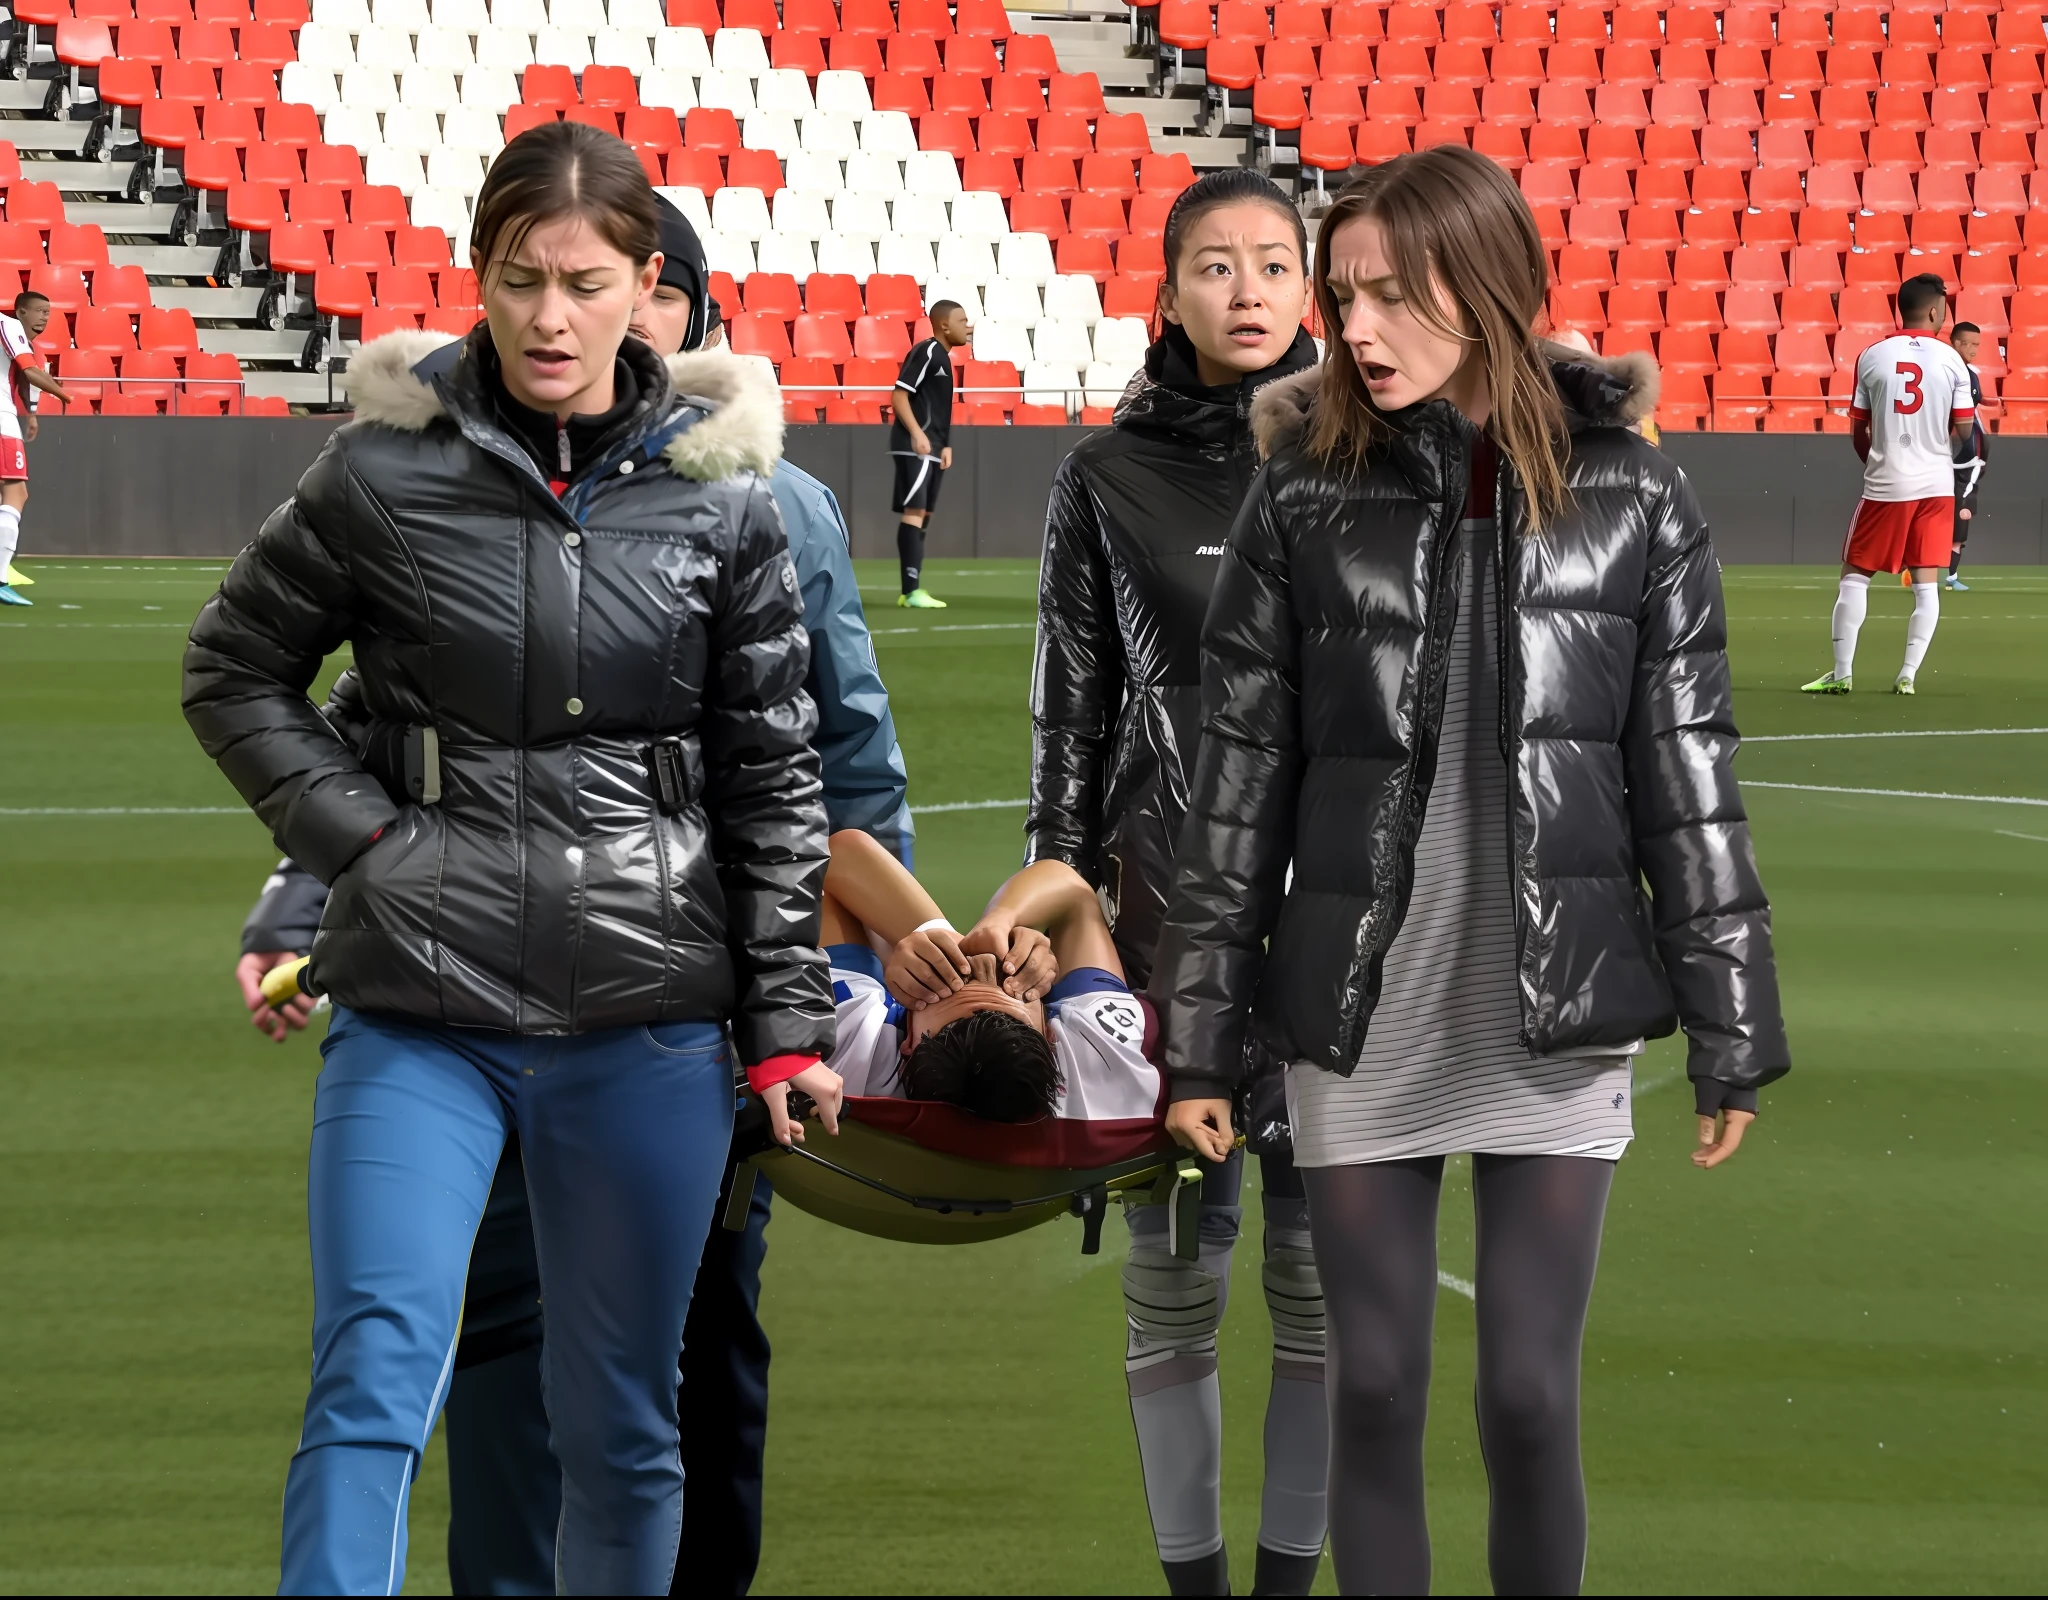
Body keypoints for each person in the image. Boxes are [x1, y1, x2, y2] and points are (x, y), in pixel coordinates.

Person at [184, 121, 844, 1595]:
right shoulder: (374, 477)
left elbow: (773, 775)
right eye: (521, 278)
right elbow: (234, 670)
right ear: (478, 279)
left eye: (587, 281)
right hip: (418, 1018)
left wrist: (787, 1026)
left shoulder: (727, 507)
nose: (552, 316)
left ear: (645, 284)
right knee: (370, 1383)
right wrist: (361, 842)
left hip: (650, 1024)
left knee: (621, 1426)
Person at [1148, 147, 1790, 1596]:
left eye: (1391, 295)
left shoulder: (1635, 497)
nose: (1354, 330)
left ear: (1487, 290)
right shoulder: (1302, 498)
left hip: (1555, 1015)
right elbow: (1236, 791)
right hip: (1359, 1015)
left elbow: (1689, 781)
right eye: (1344, 295)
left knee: (1528, 1396)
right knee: (1370, 1386)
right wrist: (1198, 1038)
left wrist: (1733, 1030)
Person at [1029, 168, 1328, 1598]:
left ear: (1314, 288)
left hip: (1347, 922)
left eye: (1276, 263)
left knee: (1324, 1297)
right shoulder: (1105, 475)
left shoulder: (1386, 454)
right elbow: (1069, 722)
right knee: (1173, 1286)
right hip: (1165, 925)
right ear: (1167, 293)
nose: (1250, 290)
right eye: (1218, 265)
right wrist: (1054, 908)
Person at [815, 828, 1162, 1125]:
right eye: (1006, 983)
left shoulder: (846, 1050)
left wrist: (926, 932)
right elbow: (1074, 893)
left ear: (907, 1044)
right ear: (1051, 1035)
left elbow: (833, 858)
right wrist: (1000, 921)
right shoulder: (1106, 1058)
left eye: (947, 983)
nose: (978, 962)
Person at [1802, 272, 1976, 696]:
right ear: (1935, 311)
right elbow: (1966, 428)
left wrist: (1877, 460)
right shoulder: (1953, 360)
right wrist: (1935, 451)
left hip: (1886, 482)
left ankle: (1842, 672)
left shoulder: (1872, 355)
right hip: (1936, 486)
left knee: (1854, 576)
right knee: (1925, 581)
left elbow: (1857, 429)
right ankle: (1907, 676)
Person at [888, 298, 973, 610]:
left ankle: (911, 587)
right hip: (915, 446)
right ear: (944, 325)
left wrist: (945, 443)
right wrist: (917, 434)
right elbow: (899, 395)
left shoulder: (945, 359)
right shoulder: (927, 351)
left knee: (924, 514)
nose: (969, 326)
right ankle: (911, 591)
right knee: (915, 511)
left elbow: (940, 409)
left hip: (934, 448)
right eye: (963, 321)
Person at [0, 289, 76, 607]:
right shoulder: (9, 325)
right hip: (1, 421)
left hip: (9, 417)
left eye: (49, 311)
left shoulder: (20, 337)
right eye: (40, 311)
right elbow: (29, 371)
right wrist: (65, 395)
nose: (45, 316)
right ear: (21, 312)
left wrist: (30, 412)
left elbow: (23, 377)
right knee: (16, 493)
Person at [1945, 319, 1987, 593]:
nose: (1974, 349)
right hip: (1964, 463)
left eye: (1977, 345)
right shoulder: (1959, 374)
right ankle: (1949, 577)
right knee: (1960, 515)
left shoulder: (1965, 373)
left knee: (1953, 515)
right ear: (1956, 342)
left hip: (1967, 463)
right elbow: (1953, 419)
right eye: (1969, 344)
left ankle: (1918, 570)